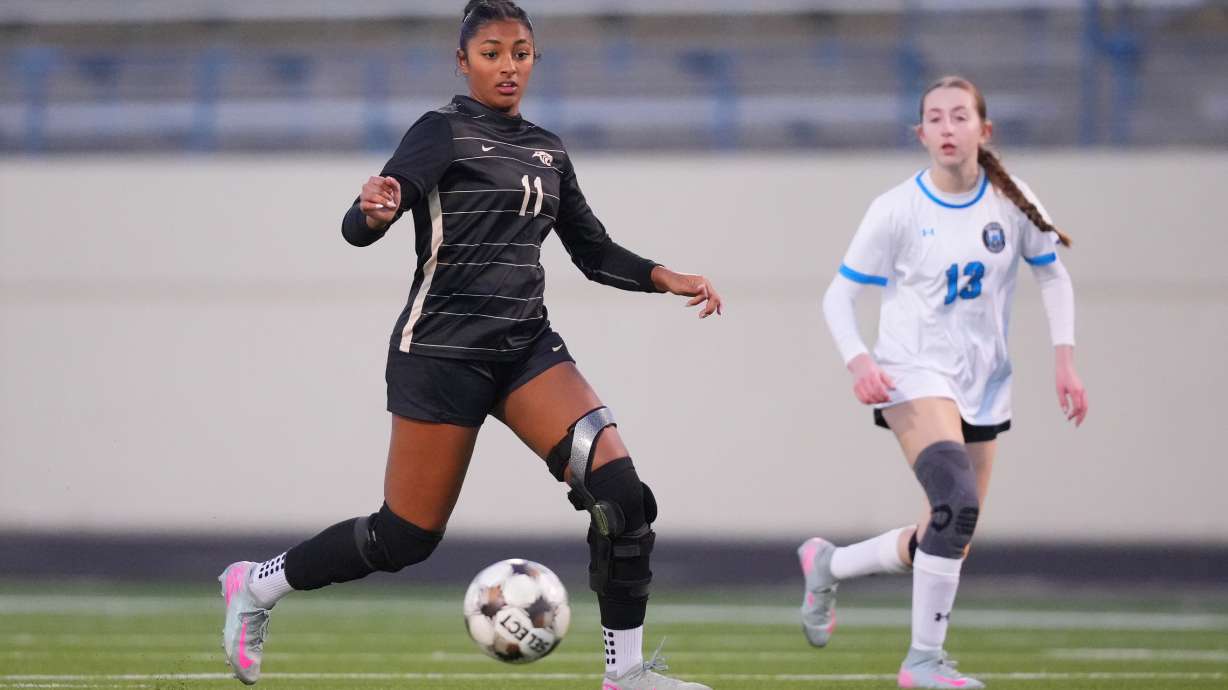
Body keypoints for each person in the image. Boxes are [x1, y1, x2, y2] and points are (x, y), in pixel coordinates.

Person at [217, 3, 720, 688]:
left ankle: (625, 675)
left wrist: (665, 277)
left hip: (525, 349)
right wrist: (372, 212)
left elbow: (592, 251)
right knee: (405, 537)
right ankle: (256, 584)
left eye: (520, 51)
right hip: (440, 354)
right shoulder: (439, 133)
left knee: (622, 494)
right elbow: (361, 225)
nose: (508, 65)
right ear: (463, 61)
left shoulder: (548, 148)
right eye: (491, 52)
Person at [801, 75, 1088, 689]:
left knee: (951, 532)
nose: (947, 128)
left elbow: (1053, 275)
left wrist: (1064, 358)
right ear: (921, 133)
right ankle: (922, 664)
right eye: (935, 118)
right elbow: (838, 297)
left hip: (984, 382)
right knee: (956, 506)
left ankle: (830, 564)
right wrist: (860, 362)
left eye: (960, 117)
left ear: (984, 131)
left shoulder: (1011, 201)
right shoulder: (897, 208)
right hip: (910, 373)